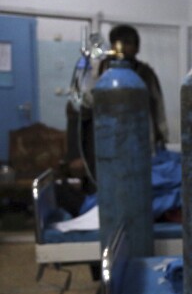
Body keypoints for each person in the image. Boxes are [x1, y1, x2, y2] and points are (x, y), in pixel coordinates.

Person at [63, 24, 168, 203]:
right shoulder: (98, 70)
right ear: (112, 45)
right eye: (120, 43)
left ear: (137, 47)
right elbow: (77, 112)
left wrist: (160, 142)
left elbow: (158, 112)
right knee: (101, 194)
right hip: (99, 146)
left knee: (134, 195)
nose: (125, 48)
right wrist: (75, 155)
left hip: (136, 146)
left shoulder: (145, 74)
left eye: (130, 43)